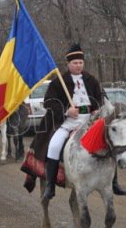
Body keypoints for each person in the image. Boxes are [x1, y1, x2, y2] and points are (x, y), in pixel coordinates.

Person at [41, 43, 104, 200]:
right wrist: (66, 111)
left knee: (109, 142)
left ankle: (113, 181)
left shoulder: (91, 80)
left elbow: (101, 98)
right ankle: (50, 185)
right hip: (68, 124)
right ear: (68, 64)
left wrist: (98, 109)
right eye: (75, 63)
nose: (78, 65)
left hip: (89, 123)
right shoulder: (58, 82)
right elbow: (48, 102)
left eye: (80, 62)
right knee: (54, 146)